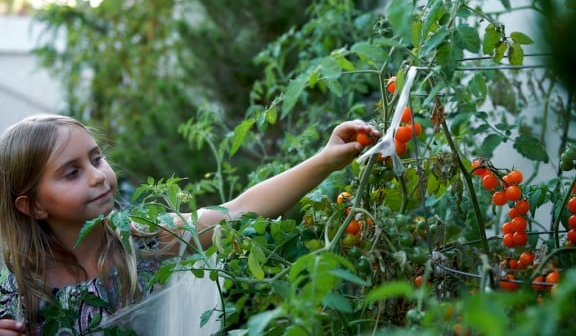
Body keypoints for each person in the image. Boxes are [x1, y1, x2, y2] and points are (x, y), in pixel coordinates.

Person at [0, 114, 379, 335]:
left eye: (97, 159)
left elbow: (238, 210)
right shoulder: (16, 287)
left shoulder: (146, 240)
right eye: (72, 173)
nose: (98, 176)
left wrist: (326, 161)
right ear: (32, 205)